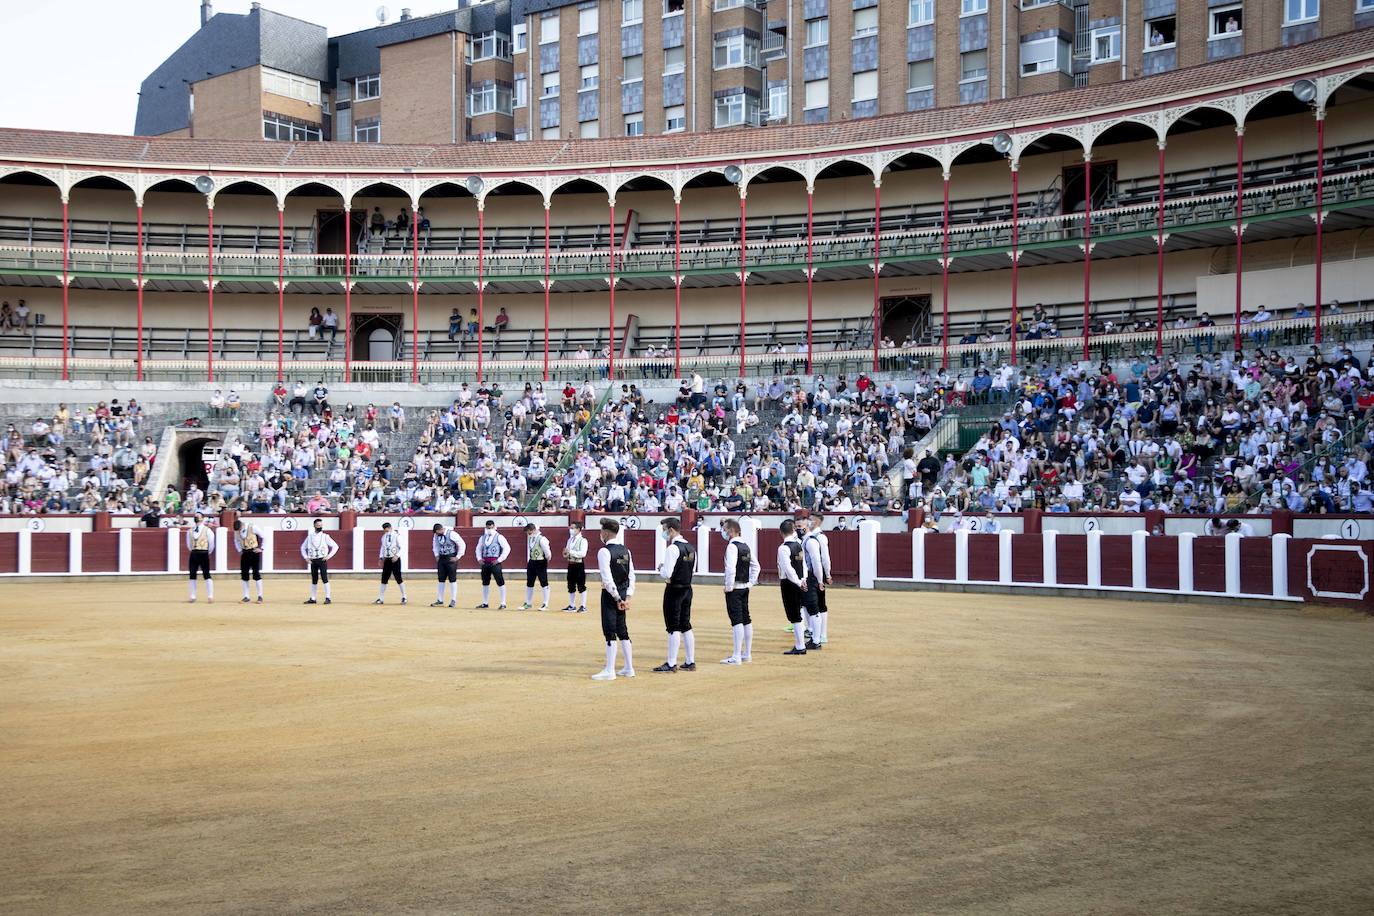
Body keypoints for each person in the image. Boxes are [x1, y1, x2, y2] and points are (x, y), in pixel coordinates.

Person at [592, 518, 635, 681]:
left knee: (610, 630)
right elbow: (632, 575)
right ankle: (629, 667)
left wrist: (617, 597)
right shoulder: (626, 550)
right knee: (622, 629)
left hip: (612, 595)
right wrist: (627, 596)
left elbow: (607, 578)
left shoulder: (604, 551)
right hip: (624, 593)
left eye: (602, 530)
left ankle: (610, 670)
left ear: (606, 532)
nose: (600, 533)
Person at [654, 517, 697, 673]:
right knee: (686, 625)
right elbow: (692, 570)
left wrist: (661, 568)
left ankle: (672, 663)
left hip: (674, 590)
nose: (664, 533)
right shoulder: (691, 548)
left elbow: (667, 573)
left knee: (673, 626)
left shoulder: (672, 549)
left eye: (665, 529)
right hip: (687, 588)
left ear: (671, 530)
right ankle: (690, 661)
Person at [720, 519, 760, 665]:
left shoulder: (732, 547)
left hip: (735, 588)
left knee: (737, 620)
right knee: (746, 619)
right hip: (744, 587)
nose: (723, 532)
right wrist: (750, 582)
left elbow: (730, 569)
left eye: (724, 529)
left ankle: (736, 656)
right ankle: (746, 654)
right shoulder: (745, 546)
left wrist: (729, 586)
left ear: (731, 531)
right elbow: (756, 566)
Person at [776, 519, 810, 655]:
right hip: (800, 581)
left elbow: (788, 569)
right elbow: (803, 565)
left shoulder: (783, 548)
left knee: (794, 615)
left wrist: (797, 581)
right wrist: (803, 579)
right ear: (793, 530)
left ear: (781, 532)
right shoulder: (798, 545)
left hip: (789, 583)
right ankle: (800, 645)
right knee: (798, 612)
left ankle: (800, 646)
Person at [806, 513, 832, 646]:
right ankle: (818, 633)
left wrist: (827, 575)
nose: (808, 522)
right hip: (816, 574)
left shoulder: (820, 537)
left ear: (816, 522)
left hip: (815, 575)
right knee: (816, 604)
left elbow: (824, 558)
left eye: (810, 520)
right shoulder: (812, 536)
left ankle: (822, 634)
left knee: (818, 604)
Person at [301, 518, 339, 605]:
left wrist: (328, 556)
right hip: (313, 560)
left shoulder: (325, 536)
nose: (320, 527)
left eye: (321, 525)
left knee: (324, 578)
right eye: (318, 525)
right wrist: (306, 557)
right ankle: (313, 598)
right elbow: (302, 547)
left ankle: (328, 597)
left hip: (322, 559)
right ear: (314, 526)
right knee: (314, 579)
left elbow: (335, 546)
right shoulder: (310, 537)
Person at [474, 519, 511, 609]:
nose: (489, 529)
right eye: (487, 527)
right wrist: (479, 558)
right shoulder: (482, 537)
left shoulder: (499, 537)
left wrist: (499, 560)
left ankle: (503, 603)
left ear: (494, 527)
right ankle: (485, 603)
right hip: (485, 563)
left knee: (500, 582)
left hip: (495, 563)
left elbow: (507, 548)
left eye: (490, 527)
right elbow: (478, 548)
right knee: (485, 583)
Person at [801, 519, 826, 651]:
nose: (798, 529)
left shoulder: (810, 541)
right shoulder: (806, 541)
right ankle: (815, 637)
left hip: (811, 577)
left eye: (800, 526)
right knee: (810, 608)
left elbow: (816, 561)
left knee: (813, 609)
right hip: (811, 577)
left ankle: (816, 640)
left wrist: (820, 579)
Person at [431, 522, 466, 608]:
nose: (436, 534)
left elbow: (462, 544)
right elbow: (435, 545)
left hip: (451, 558)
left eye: (437, 532)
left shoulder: (452, 534)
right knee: (441, 579)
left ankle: (453, 600)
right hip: (442, 558)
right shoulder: (436, 535)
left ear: (441, 529)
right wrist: (436, 555)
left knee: (452, 579)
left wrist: (457, 557)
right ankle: (440, 600)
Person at [232, 517, 266, 603]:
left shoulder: (252, 527)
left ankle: (260, 596)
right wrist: (240, 550)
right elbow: (236, 541)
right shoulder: (237, 531)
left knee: (256, 573)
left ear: (242, 525)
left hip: (254, 552)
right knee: (244, 574)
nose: (239, 531)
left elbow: (264, 536)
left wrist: (262, 548)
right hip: (245, 553)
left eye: (240, 529)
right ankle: (246, 596)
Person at [185, 511, 215, 603]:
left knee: (207, 574)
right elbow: (189, 544)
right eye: (195, 516)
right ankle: (193, 596)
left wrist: (206, 551)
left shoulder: (207, 530)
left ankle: (210, 596)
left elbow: (211, 544)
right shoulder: (190, 530)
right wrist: (194, 550)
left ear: (202, 518)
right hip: (194, 553)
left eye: (197, 516)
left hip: (203, 553)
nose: (196, 517)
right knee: (192, 575)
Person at [376, 521, 407, 605]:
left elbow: (403, 547)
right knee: (384, 578)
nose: (386, 532)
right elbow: (382, 548)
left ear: (390, 528)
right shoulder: (383, 537)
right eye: (385, 531)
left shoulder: (397, 536)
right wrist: (381, 558)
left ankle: (404, 597)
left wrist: (397, 556)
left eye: (387, 530)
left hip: (395, 559)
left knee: (398, 578)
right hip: (387, 560)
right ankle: (381, 598)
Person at [522, 522, 551, 611]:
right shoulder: (531, 538)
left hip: (540, 562)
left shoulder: (542, 539)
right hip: (532, 562)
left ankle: (545, 603)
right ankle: (528, 603)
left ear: (534, 530)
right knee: (529, 582)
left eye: (529, 532)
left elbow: (548, 553)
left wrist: (545, 561)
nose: (528, 534)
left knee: (543, 582)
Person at [562, 520, 589, 612]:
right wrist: (565, 554)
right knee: (571, 585)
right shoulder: (570, 540)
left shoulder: (583, 540)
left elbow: (583, 554)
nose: (571, 529)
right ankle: (572, 605)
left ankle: (583, 606)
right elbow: (567, 552)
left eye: (573, 528)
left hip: (579, 565)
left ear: (578, 529)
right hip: (570, 564)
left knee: (581, 585)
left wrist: (570, 552)